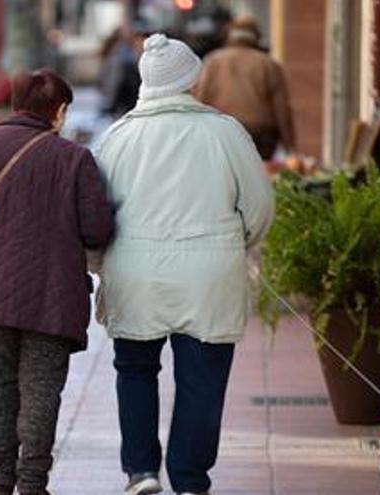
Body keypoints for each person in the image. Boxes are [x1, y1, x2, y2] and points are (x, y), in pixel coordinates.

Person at [94, 34, 274, 495]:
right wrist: (236, 244)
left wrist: (100, 265)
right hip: (209, 277)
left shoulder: (117, 137)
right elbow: (259, 206)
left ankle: (141, 471)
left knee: (135, 370)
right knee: (202, 380)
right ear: (191, 82)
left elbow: (94, 214)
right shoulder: (226, 132)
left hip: (134, 274)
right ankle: (190, 479)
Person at [0, 69, 114, 495]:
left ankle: (1, 477)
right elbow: (97, 230)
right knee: (41, 387)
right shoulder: (74, 158)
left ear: (16, 104)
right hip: (51, 291)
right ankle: (33, 482)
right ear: (58, 111)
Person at [194, 16, 295, 160]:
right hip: (261, 137)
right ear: (256, 38)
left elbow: (200, 100)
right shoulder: (268, 64)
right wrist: (290, 148)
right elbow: (281, 108)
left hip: (223, 134)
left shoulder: (212, 62)